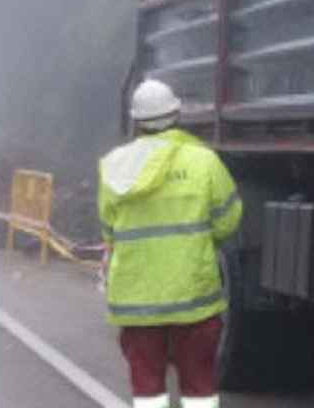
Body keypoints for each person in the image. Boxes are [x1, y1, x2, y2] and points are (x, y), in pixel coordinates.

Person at [98, 80, 242, 408]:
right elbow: (229, 219)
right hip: (194, 297)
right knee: (199, 387)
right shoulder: (203, 161)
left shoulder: (113, 166)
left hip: (137, 301)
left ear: (135, 120)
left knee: (147, 388)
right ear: (177, 114)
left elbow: (109, 231)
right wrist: (198, 242)